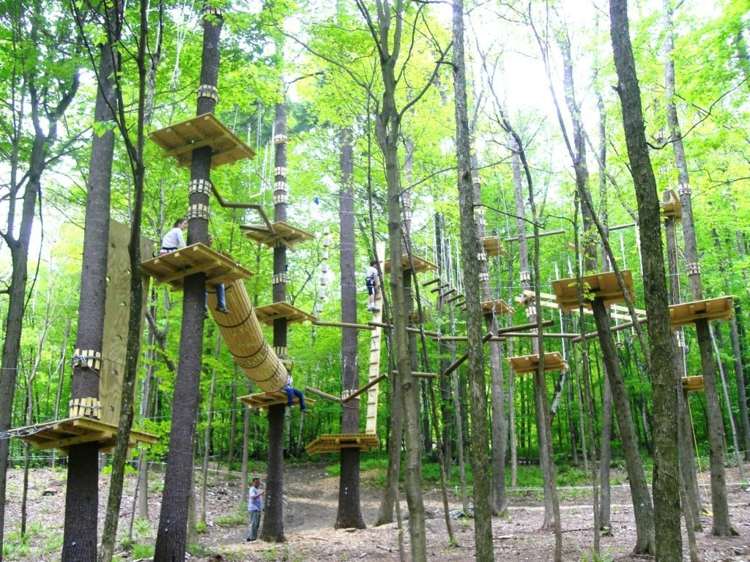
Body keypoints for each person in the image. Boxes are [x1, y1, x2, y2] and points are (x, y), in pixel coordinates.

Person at [246, 477, 264, 542]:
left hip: (258, 509)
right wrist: (260, 493)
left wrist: (263, 507)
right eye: (256, 482)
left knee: (256, 524)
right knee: (253, 523)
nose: (258, 484)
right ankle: (251, 538)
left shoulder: (258, 490)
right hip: (254, 509)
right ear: (253, 482)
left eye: (259, 482)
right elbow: (252, 497)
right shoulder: (252, 489)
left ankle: (252, 537)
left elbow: (260, 500)